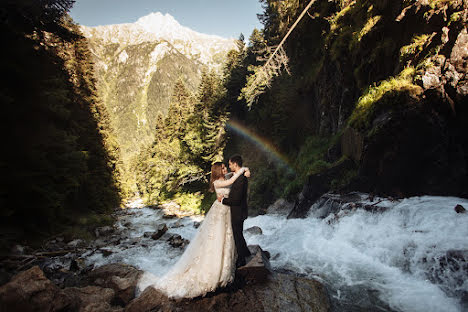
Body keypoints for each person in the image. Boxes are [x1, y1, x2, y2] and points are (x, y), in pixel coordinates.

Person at [136, 162, 250, 299]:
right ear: (218, 171)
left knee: (227, 237)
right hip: (220, 211)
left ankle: (227, 266)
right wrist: (242, 169)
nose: (225, 169)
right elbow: (233, 179)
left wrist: (246, 170)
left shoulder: (225, 177)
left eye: (226, 167)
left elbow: (233, 174)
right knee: (217, 238)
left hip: (227, 211)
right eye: (223, 168)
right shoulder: (217, 182)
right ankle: (215, 272)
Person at [217, 155, 252, 267]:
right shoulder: (239, 176)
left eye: (230, 164)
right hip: (239, 210)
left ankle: (241, 259)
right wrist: (246, 169)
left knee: (237, 235)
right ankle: (245, 252)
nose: (229, 166)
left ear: (235, 164)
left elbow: (235, 199)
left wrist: (222, 200)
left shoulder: (240, 179)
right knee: (239, 233)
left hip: (237, 211)